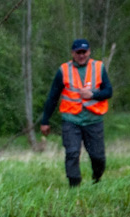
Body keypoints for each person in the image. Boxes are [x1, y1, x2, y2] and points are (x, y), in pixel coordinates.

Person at [39, 39, 113, 187]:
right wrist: (45, 121)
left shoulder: (99, 67)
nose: (81, 55)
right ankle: (74, 187)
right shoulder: (63, 70)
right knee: (72, 153)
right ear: (72, 53)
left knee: (98, 157)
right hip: (71, 119)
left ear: (89, 52)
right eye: (78, 52)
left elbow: (108, 91)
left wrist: (93, 95)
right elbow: (53, 97)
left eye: (84, 52)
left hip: (94, 120)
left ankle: (97, 179)